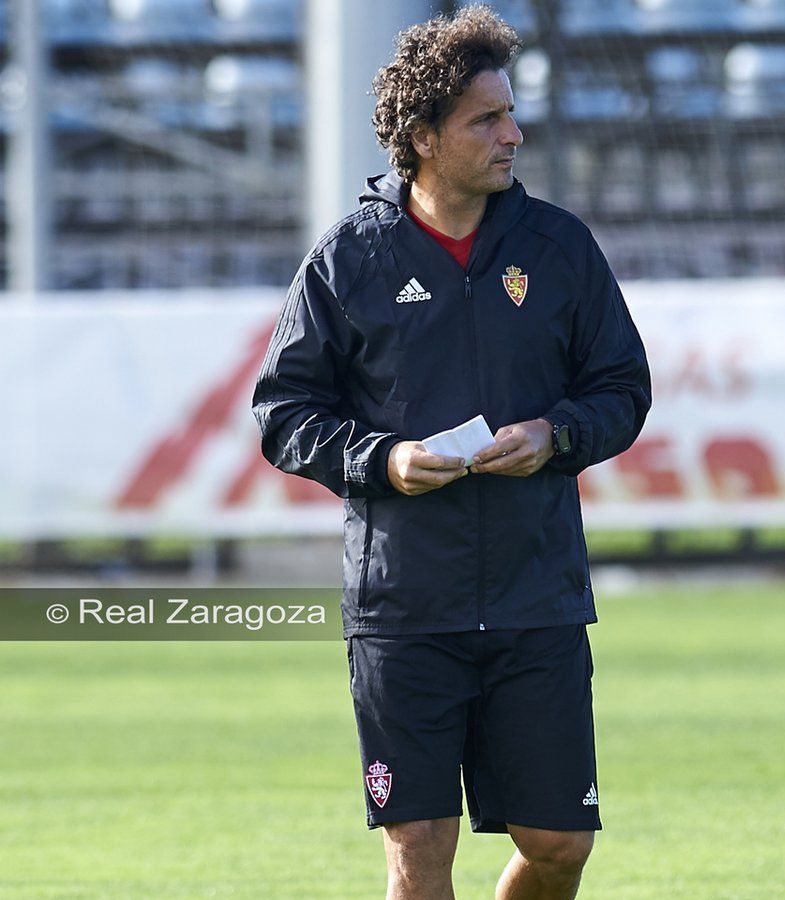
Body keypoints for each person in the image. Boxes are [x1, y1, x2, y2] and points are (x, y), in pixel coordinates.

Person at [251, 6, 651, 899]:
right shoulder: (347, 259)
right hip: (405, 607)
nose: (514, 133)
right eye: (487, 119)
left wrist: (558, 435)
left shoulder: (560, 248)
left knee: (559, 847)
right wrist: (380, 460)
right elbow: (283, 412)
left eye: (511, 113)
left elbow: (624, 389)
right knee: (418, 849)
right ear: (425, 136)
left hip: (535, 596)